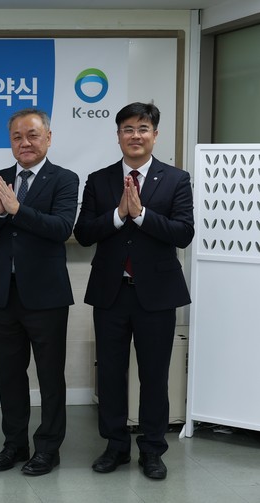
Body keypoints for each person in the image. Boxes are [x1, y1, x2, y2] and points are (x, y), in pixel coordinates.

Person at [73, 102, 194, 480]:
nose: (135, 135)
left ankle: (153, 450)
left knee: (154, 375)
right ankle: (116, 446)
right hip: (111, 292)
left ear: (155, 135)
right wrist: (118, 215)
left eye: (143, 129)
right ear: (118, 135)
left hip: (157, 295)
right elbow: (84, 233)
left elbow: (183, 233)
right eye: (128, 129)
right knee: (110, 374)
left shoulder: (176, 179)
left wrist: (141, 215)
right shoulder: (99, 180)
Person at [0, 108, 79, 476]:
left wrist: (17, 209)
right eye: (17, 136)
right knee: (10, 375)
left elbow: (61, 227)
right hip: (3, 294)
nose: (25, 142)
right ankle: (14, 444)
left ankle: (48, 448)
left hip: (46, 296)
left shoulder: (64, 179)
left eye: (32, 135)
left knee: (50, 376)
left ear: (48, 137)